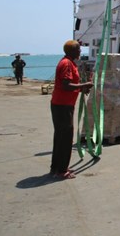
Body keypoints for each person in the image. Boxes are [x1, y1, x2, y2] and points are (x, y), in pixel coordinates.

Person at [50, 40, 93, 180]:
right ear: (72, 51)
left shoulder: (68, 62)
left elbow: (69, 85)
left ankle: (57, 167)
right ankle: (61, 170)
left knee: (60, 137)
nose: (80, 51)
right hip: (63, 105)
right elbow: (66, 85)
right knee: (65, 137)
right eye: (78, 49)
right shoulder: (67, 64)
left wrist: (81, 88)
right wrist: (84, 85)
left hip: (61, 104)